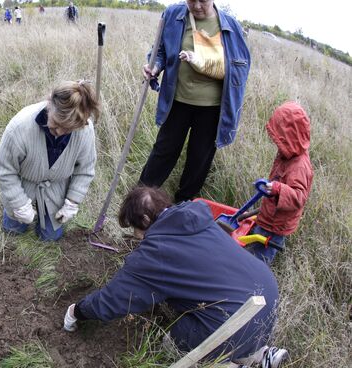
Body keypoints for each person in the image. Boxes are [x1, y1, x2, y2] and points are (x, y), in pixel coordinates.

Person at [63, 186, 288, 367]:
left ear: (143, 220)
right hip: (267, 299)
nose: (138, 238)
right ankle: (261, 355)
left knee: (172, 342)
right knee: (233, 326)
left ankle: (227, 364)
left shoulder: (156, 253)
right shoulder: (199, 218)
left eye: (135, 231)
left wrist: (78, 311)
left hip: (233, 318)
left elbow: (115, 299)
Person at [139, 0, 250, 203]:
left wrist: (210, 65)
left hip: (212, 109)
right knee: (163, 152)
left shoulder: (232, 27)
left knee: (199, 161)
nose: (197, 6)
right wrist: (154, 66)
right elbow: (161, 50)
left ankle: (182, 205)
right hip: (178, 101)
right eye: (192, 0)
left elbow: (240, 69)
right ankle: (141, 200)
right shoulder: (172, 15)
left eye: (203, 1)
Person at [0, 80, 99, 241]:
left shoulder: (84, 130)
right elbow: (5, 170)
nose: (59, 133)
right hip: (25, 182)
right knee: (13, 231)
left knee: (50, 238)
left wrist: (72, 201)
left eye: (67, 129)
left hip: (55, 186)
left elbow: (85, 170)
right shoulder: (20, 127)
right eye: (56, 124)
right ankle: (16, 212)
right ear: (49, 104)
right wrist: (19, 203)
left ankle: (47, 213)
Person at [248, 102, 313, 264]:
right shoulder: (287, 154)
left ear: (290, 137)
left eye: (279, 140)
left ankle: (257, 285)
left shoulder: (299, 166)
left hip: (275, 226)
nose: (276, 144)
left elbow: (298, 197)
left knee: (260, 260)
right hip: (268, 215)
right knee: (254, 247)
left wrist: (278, 188)